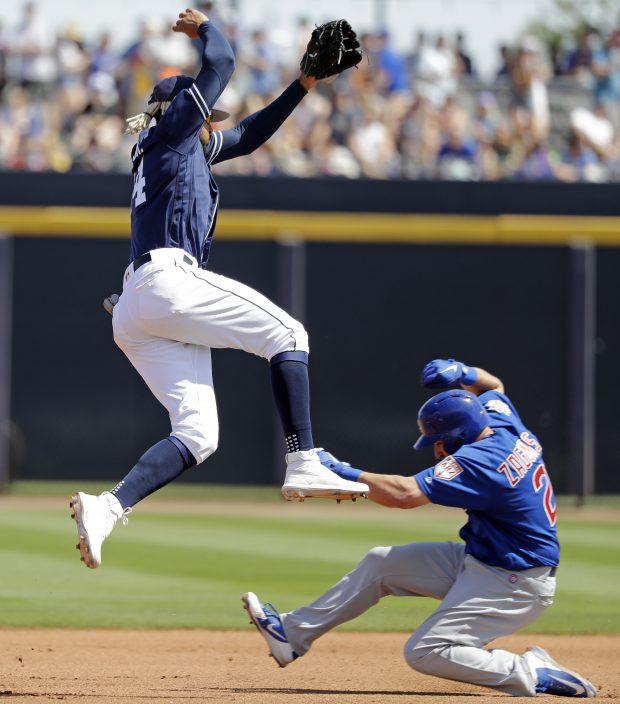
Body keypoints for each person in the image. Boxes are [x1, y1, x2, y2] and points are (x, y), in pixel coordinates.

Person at [70, 8, 368, 570]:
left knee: (199, 434)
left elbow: (250, 136)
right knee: (289, 332)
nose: (217, 124)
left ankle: (107, 508)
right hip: (166, 282)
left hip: (137, 303)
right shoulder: (175, 129)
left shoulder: (176, 147)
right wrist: (206, 26)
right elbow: (224, 61)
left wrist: (303, 84)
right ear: (184, 108)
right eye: (210, 115)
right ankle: (302, 458)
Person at [243, 358, 597, 698]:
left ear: (460, 436)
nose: (436, 450)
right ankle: (290, 634)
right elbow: (493, 386)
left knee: (425, 651)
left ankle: (532, 672)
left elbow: (405, 494)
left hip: (514, 583)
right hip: (489, 561)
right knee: (383, 563)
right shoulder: (502, 425)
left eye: (439, 441)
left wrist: (345, 471)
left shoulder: (480, 462)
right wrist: (464, 370)